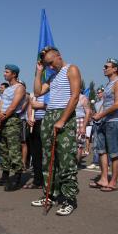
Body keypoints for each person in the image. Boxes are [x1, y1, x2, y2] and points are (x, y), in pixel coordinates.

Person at [32, 46, 81, 216]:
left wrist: (62, 120)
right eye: (47, 65)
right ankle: (49, 195)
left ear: (59, 56)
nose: (50, 67)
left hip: (64, 114)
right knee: (48, 159)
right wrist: (39, 72)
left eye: (51, 63)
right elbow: (37, 92)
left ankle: (69, 199)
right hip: (49, 115)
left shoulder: (71, 69)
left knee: (66, 159)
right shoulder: (52, 75)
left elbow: (75, 96)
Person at [90, 58, 118, 192]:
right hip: (104, 121)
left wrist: (101, 115)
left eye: (107, 66)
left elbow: (117, 104)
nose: (104, 68)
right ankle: (104, 179)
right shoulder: (108, 84)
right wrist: (98, 115)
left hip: (114, 122)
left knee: (114, 153)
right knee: (101, 151)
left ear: (115, 68)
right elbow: (106, 104)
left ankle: (113, 182)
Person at [0, 64, 26, 191]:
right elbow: (1, 104)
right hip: (4, 120)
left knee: (14, 150)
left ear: (14, 74)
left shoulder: (19, 87)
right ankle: (5, 176)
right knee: (3, 150)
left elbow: (13, 106)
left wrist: (3, 116)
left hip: (12, 121)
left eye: (7, 72)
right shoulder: (6, 90)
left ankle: (17, 178)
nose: (4, 74)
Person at [25, 93, 47, 189]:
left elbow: (52, 106)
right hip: (34, 123)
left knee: (47, 153)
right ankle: (38, 180)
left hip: (46, 122)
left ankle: (48, 181)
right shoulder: (34, 94)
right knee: (35, 153)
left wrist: (39, 104)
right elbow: (30, 106)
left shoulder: (50, 92)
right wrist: (29, 117)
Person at [87, 88, 104, 169]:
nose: (98, 94)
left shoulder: (107, 102)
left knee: (104, 144)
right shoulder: (97, 103)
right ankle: (95, 162)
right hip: (96, 124)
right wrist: (92, 115)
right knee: (96, 144)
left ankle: (105, 163)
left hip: (104, 124)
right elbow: (95, 113)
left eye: (99, 92)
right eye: (97, 93)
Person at [75, 93, 91, 165]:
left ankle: (77, 163)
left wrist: (84, 127)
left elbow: (88, 112)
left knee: (79, 144)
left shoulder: (83, 98)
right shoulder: (70, 95)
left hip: (80, 120)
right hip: (71, 120)